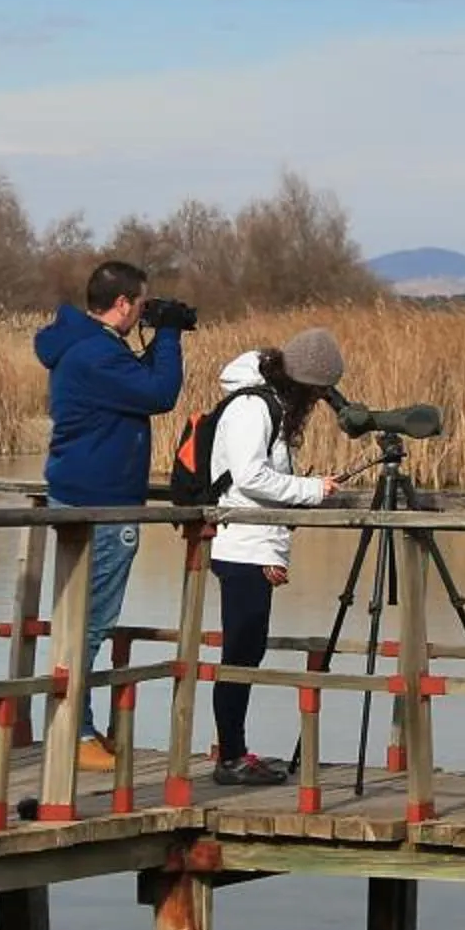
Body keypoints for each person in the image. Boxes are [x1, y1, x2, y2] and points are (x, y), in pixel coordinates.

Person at [32, 260, 188, 771]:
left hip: (80, 496)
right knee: (91, 622)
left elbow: (140, 384)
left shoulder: (84, 346)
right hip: (102, 504)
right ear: (122, 304)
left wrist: (158, 336)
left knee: (79, 618)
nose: (144, 312)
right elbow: (160, 394)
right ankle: (73, 734)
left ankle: (74, 724)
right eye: (141, 305)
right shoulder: (97, 354)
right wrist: (169, 335)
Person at [203, 326, 349, 785]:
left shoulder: (268, 404)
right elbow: (249, 477)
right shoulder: (253, 407)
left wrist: (276, 550)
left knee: (248, 651)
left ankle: (234, 751)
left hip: (253, 546)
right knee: (240, 653)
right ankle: (230, 757)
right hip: (239, 546)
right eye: (317, 393)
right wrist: (311, 489)